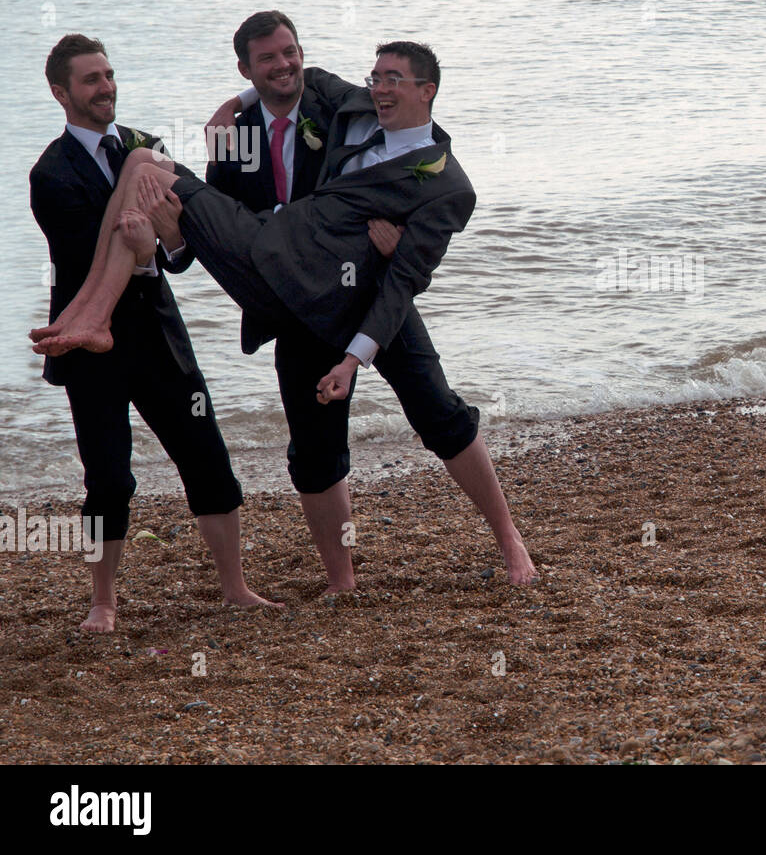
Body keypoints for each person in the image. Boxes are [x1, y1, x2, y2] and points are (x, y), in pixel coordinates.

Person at [33, 38, 538, 587]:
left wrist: (361, 337)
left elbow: (409, 275)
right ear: (249, 68)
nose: (381, 87)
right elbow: (205, 232)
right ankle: (341, 582)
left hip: (374, 299)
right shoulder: (287, 122)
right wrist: (234, 107)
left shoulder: (441, 178)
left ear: (426, 90)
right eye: (376, 77)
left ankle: (512, 545)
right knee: (313, 448)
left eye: (394, 79)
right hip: (297, 297)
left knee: (441, 413)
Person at [30, 34, 277, 633]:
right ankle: (103, 600)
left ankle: (235, 587)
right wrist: (142, 241)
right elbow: (85, 250)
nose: (106, 87)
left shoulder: (148, 146)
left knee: (206, 455)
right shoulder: (51, 172)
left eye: (109, 74)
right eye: (91, 80)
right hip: (89, 343)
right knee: (108, 475)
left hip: (157, 329)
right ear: (62, 93)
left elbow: (182, 248)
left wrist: (163, 240)